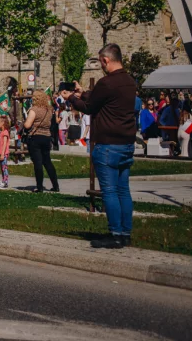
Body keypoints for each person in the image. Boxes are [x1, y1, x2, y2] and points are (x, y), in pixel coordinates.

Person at [62, 43, 138, 249]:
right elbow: (103, 101)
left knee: (110, 191)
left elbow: (90, 108)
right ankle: (125, 233)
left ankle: (114, 233)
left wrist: (72, 99)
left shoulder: (107, 82)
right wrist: (83, 92)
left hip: (108, 145)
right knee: (124, 190)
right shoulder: (129, 81)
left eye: (100, 62)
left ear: (105, 60)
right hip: (126, 144)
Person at [23, 90, 60, 193]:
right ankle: (55, 185)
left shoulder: (34, 110)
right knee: (47, 161)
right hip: (46, 137)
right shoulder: (49, 110)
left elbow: (28, 125)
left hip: (36, 137)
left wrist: (24, 122)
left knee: (38, 163)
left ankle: (39, 187)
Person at [0, 115, 12, 188]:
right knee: (2, 168)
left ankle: (5, 182)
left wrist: (2, 154)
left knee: (4, 168)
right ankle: (3, 181)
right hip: (0, 153)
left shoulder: (5, 132)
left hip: (3, 154)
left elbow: (4, 144)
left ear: (3, 123)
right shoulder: (2, 132)